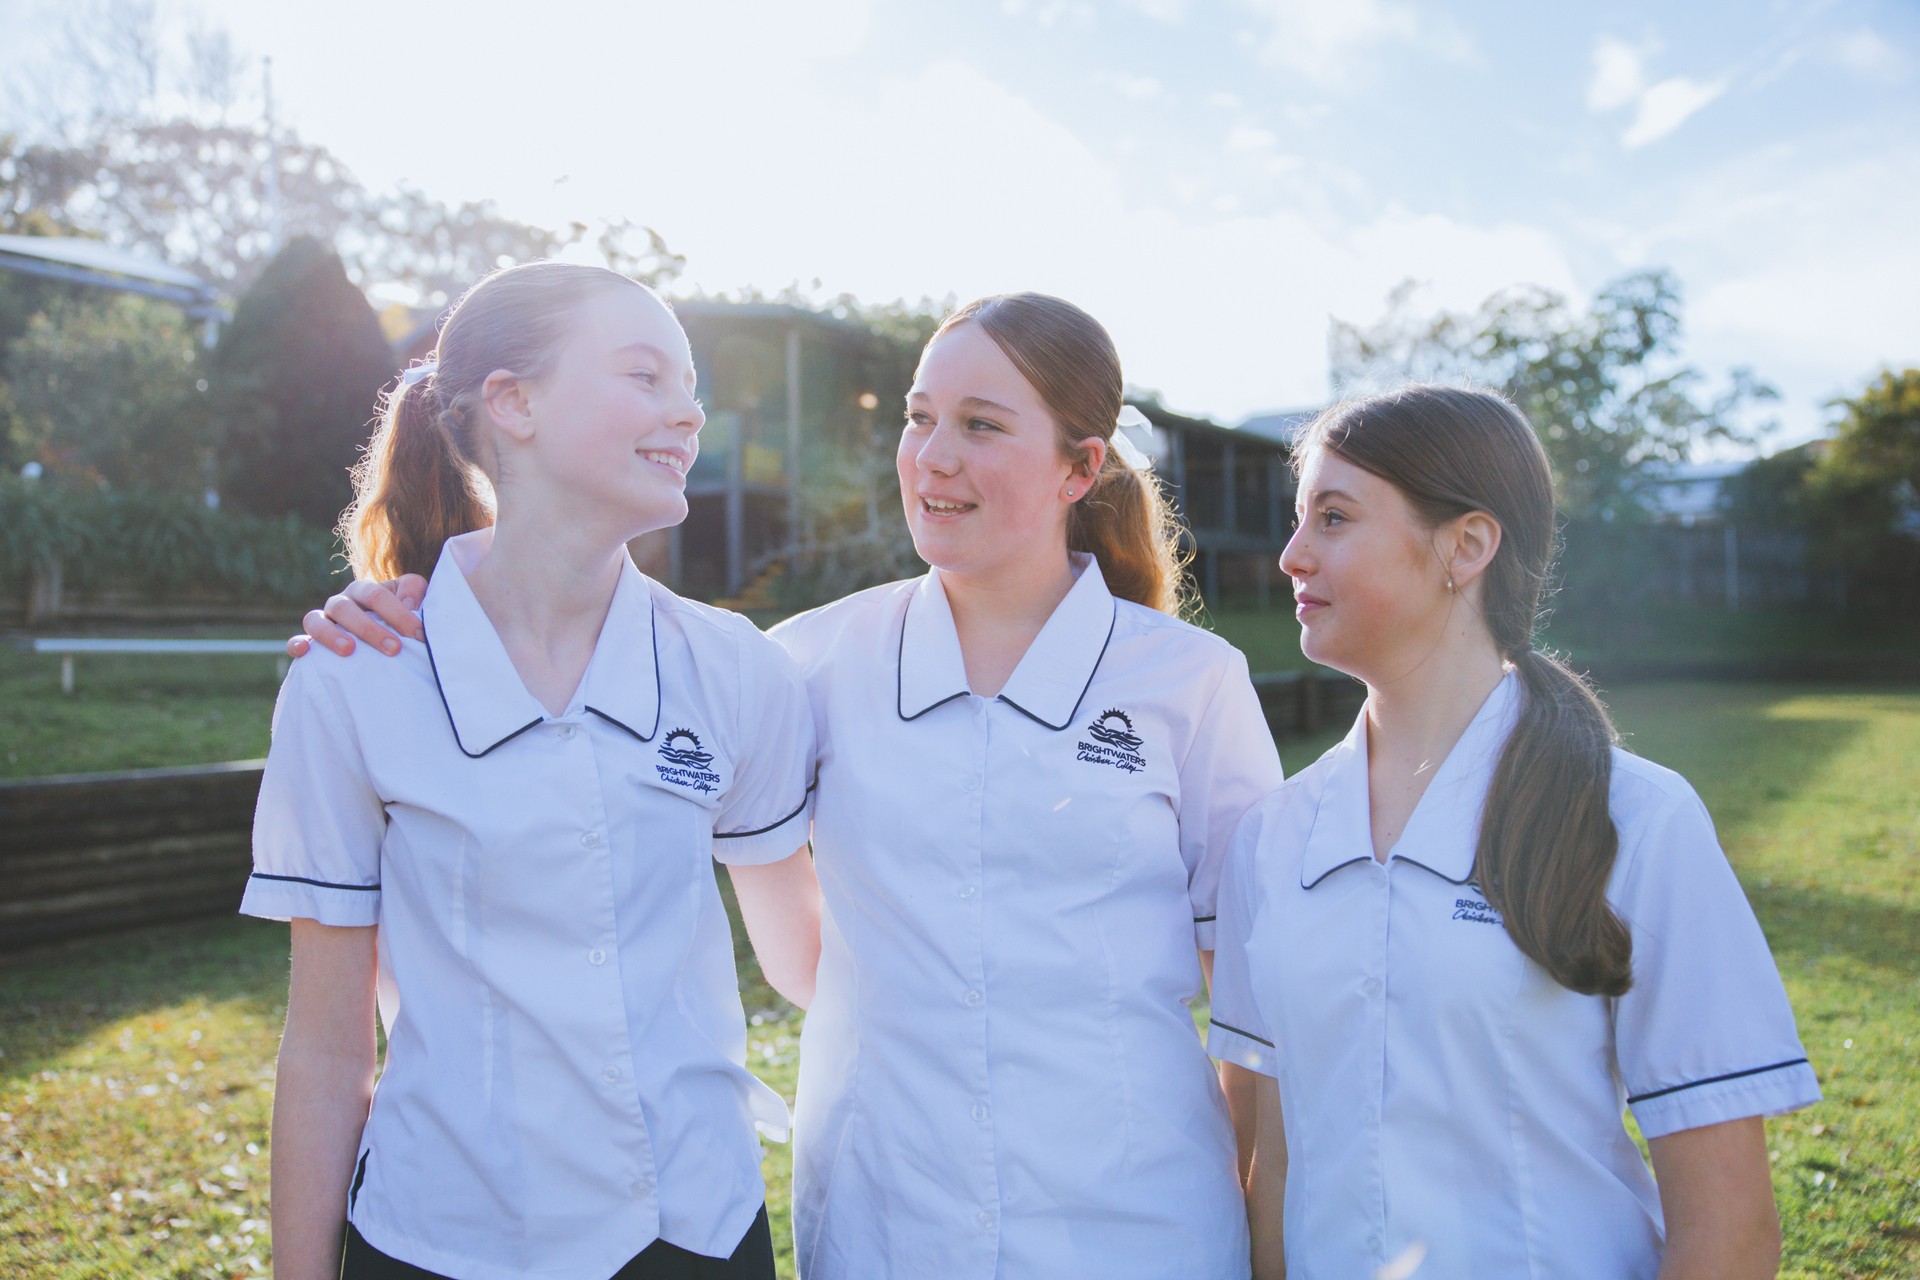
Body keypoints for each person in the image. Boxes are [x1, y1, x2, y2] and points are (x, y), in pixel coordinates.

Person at [295, 292, 1282, 1279]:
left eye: (980, 424)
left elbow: (1252, 1003)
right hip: (889, 1224)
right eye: (918, 415)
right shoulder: (801, 663)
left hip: (1144, 1226)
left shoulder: (1191, 683)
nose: (934, 454)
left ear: (1081, 466)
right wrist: (411, 605)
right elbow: (778, 940)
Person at [248, 262, 820, 1280]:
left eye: (689, 383)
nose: (688, 413)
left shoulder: (738, 670)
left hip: (694, 1234)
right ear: (514, 402)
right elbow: (330, 1049)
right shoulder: (354, 679)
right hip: (439, 1240)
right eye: (646, 375)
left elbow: (809, 960)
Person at [1205, 385, 1821, 1280]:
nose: (1291, 556)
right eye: (1299, 521)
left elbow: (1728, 1227)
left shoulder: (1637, 820)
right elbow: (1270, 1164)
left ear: (1466, 546)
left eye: (1333, 519)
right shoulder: (1270, 839)